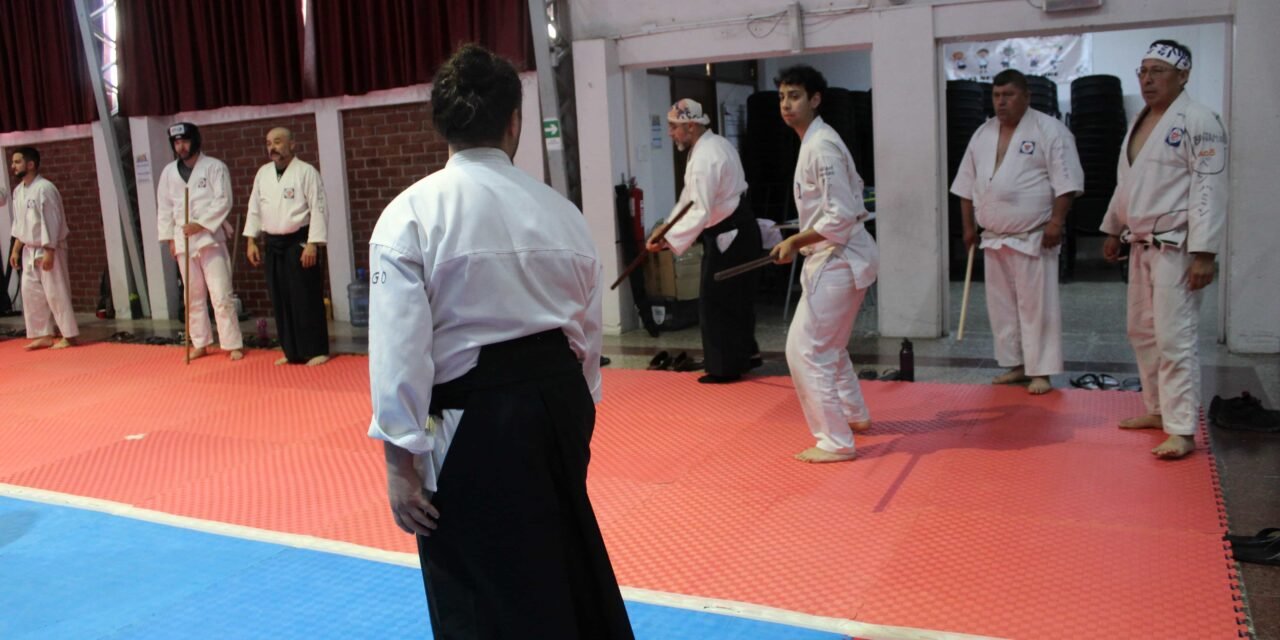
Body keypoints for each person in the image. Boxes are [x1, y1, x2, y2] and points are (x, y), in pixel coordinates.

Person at [366, 44, 633, 639]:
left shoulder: (410, 215)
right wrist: (578, 413)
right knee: (562, 560)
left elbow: (399, 352)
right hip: (559, 405)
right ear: (514, 122)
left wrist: (399, 459)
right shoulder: (562, 212)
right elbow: (586, 337)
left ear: (441, 124)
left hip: (473, 416)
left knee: (476, 580)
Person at [1101, 40, 1228, 460]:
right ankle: (1156, 410)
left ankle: (1181, 428)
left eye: (1158, 71)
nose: (1147, 79)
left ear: (1183, 76)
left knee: (1175, 337)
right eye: (1143, 71)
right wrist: (1113, 227)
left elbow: (1209, 187)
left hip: (1177, 247)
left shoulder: (1199, 119)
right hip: (1140, 245)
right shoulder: (1141, 121)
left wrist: (1205, 252)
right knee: (1141, 331)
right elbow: (1127, 183)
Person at [950, 69, 1084, 395]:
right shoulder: (982, 133)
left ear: (1026, 96)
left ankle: (1042, 370)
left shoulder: (1050, 130)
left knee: (1036, 306)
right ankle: (1017, 365)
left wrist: (1056, 222)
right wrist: (968, 227)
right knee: (1003, 307)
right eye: (997, 96)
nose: (1001, 102)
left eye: (1008, 95)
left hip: (1033, 235)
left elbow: (1066, 183)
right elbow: (966, 185)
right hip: (993, 236)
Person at [770, 65, 879, 464]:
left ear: (815, 99)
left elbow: (841, 214)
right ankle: (855, 416)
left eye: (795, 96)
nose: (786, 104)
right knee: (830, 347)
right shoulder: (814, 142)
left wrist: (796, 240)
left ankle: (834, 440)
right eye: (782, 97)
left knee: (804, 350)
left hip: (839, 258)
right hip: (841, 257)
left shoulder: (821, 146)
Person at [646, 98, 762, 383]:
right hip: (736, 230)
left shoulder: (705, 156)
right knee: (736, 299)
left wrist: (668, 240)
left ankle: (725, 368)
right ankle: (746, 355)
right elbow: (688, 199)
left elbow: (699, 208)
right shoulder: (712, 145)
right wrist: (665, 230)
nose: (671, 132)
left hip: (730, 234)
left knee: (715, 302)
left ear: (690, 125)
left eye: (674, 127)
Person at [156, 122, 244, 361]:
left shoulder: (215, 167)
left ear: (194, 141)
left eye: (184, 141)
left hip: (209, 238)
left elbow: (224, 200)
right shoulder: (168, 173)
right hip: (183, 240)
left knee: (221, 293)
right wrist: (169, 240)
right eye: (176, 143)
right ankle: (200, 341)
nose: (181, 147)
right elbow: (164, 208)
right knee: (192, 296)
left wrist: (202, 223)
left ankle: (231, 342)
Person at [244, 127, 330, 366]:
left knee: (306, 296)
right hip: (273, 243)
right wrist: (251, 239)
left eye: (278, 142)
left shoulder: (306, 172)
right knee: (280, 297)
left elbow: (319, 209)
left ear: (292, 144)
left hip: (299, 242)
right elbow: (254, 208)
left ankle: (316, 349)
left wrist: (313, 244)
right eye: (269, 142)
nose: (272, 147)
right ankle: (291, 351)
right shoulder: (263, 174)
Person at [7, 147, 79, 350]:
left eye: (17, 162)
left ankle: (69, 334)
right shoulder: (18, 191)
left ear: (30, 164)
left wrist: (49, 250)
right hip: (29, 249)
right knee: (31, 294)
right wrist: (15, 249)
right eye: (13, 162)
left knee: (56, 292)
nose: (13, 166)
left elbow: (52, 222)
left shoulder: (45, 188)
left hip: (49, 248)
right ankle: (44, 334)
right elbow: (20, 224)